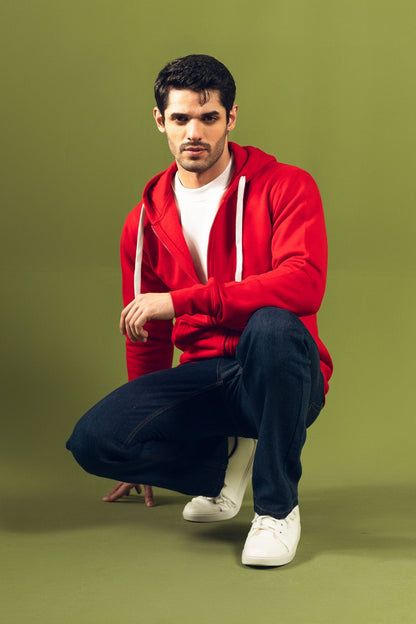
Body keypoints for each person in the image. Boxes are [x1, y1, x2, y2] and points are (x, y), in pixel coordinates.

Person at [66, 54, 333, 567]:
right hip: (209, 377)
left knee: (273, 325)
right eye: (181, 118)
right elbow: (146, 330)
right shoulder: (144, 221)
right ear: (160, 120)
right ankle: (222, 463)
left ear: (231, 118)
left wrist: (182, 301)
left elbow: (304, 284)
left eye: (209, 118)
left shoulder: (285, 186)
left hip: (285, 375)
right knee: (95, 442)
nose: (195, 133)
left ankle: (277, 509)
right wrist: (141, 438)